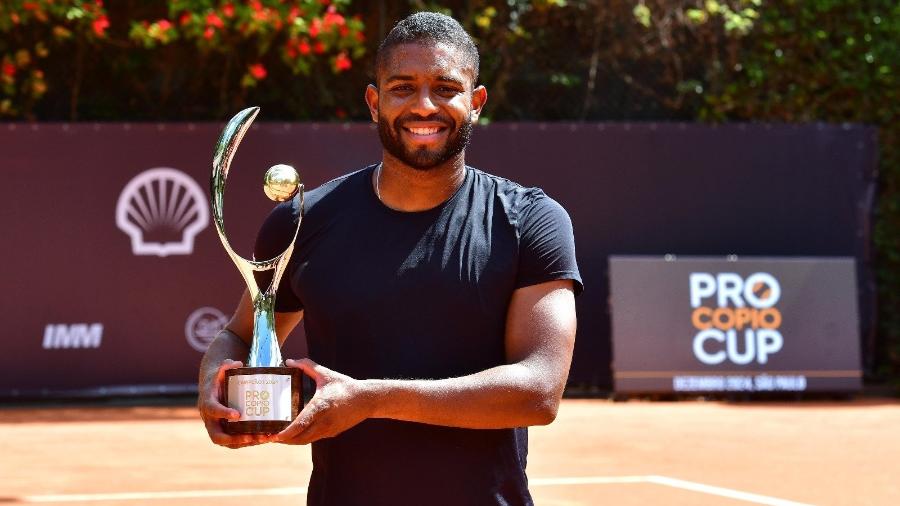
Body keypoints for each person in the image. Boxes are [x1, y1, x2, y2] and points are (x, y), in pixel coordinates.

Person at [198, 11, 582, 506]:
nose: (424, 106)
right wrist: (213, 382)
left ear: (477, 101)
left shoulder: (531, 220)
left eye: (445, 88)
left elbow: (539, 389)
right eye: (402, 88)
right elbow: (240, 334)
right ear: (374, 102)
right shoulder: (302, 223)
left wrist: (371, 400)